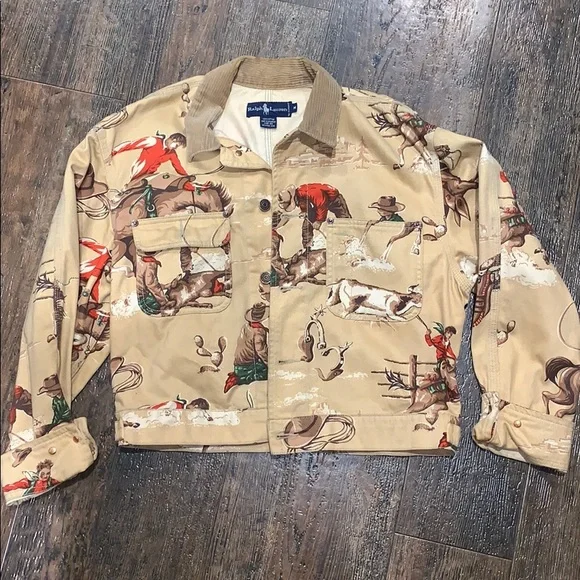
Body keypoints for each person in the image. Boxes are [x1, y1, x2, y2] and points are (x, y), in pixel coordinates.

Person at [279, 183, 351, 250]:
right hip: (319, 203)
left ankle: (350, 239)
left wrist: (319, 221)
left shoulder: (310, 192)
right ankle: (307, 247)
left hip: (334, 199)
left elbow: (321, 204)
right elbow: (304, 203)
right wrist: (305, 211)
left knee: (344, 220)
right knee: (307, 225)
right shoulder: (299, 195)